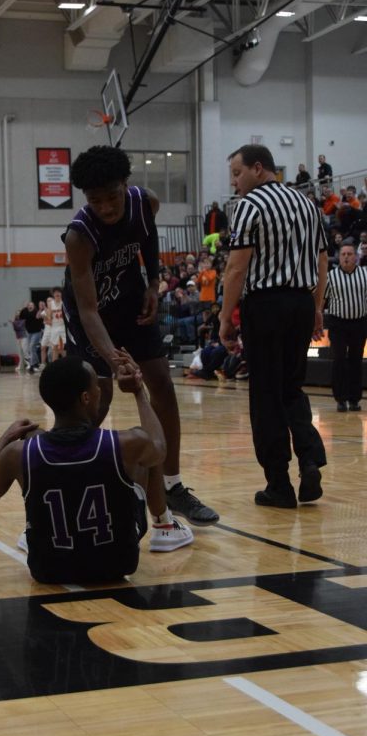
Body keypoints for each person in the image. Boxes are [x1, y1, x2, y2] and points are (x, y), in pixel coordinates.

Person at [61, 145, 219, 525]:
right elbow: (87, 310)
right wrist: (114, 359)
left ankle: (172, 485)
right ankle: (67, 476)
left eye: (112, 196)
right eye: (95, 200)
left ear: (126, 185)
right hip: (91, 315)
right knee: (96, 400)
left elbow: (148, 239)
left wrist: (152, 282)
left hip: (131, 299)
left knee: (161, 384)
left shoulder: (145, 202)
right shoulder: (79, 237)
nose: (106, 207)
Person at [0, 353, 194, 583]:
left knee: (35, 441)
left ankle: (39, 534)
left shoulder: (17, 453)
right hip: (116, 565)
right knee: (145, 446)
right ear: (86, 398)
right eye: (97, 385)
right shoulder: (126, 444)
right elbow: (159, 447)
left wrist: (4, 441)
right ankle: (164, 525)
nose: (100, 390)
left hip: (48, 569)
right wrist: (139, 391)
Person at [220, 144, 327, 508]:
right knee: (292, 388)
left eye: (237, 173)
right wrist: (315, 307)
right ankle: (310, 458)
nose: (234, 183)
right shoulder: (306, 204)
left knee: (265, 395)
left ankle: (279, 484)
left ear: (258, 168)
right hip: (300, 301)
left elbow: (236, 268)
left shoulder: (248, 206)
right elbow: (322, 261)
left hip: (265, 305)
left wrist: (224, 317)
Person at [323, 244, 367, 412]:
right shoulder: (331, 277)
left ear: (355, 257)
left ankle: (355, 400)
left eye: (349, 254)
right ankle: (341, 399)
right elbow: (322, 300)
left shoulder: (365, 274)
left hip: (359, 322)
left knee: (356, 361)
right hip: (338, 324)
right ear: (339, 257)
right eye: (343, 254)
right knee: (339, 360)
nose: (346, 257)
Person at [19, 301, 43, 372]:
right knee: (31, 348)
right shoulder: (25, 311)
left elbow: (39, 318)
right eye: (29, 305)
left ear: (34, 306)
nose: (30, 306)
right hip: (29, 332)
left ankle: (32, 365)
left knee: (32, 346)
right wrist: (23, 307)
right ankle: (36, 363)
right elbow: (20, 317)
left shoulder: (36, 311)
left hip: (37, 332)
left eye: (32, 305)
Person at [48, 287, 66, 361]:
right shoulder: (50, 303)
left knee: (63, 347)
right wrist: (48, 320)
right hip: (55, 326)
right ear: (53, 294)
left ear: (61, 294)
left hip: (63, 326)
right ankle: (54, 365)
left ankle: (67, 363)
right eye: (55, 293)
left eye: (58, 292)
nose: (57, 294)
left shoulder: (64, 302)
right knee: (55, 347)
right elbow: (49, 316)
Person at [10, 308, 30, 373]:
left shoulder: (23, 320)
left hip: (24, 336)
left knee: (25, 351)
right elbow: (15, 329)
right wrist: (13, 323)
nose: (18, 314)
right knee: (20, 352)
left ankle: (29, 364)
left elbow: (19, 327)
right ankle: (20, 365)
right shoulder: (15, 321)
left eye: (19, 313)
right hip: (18, 337)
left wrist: (13, 322)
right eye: (17, 313)